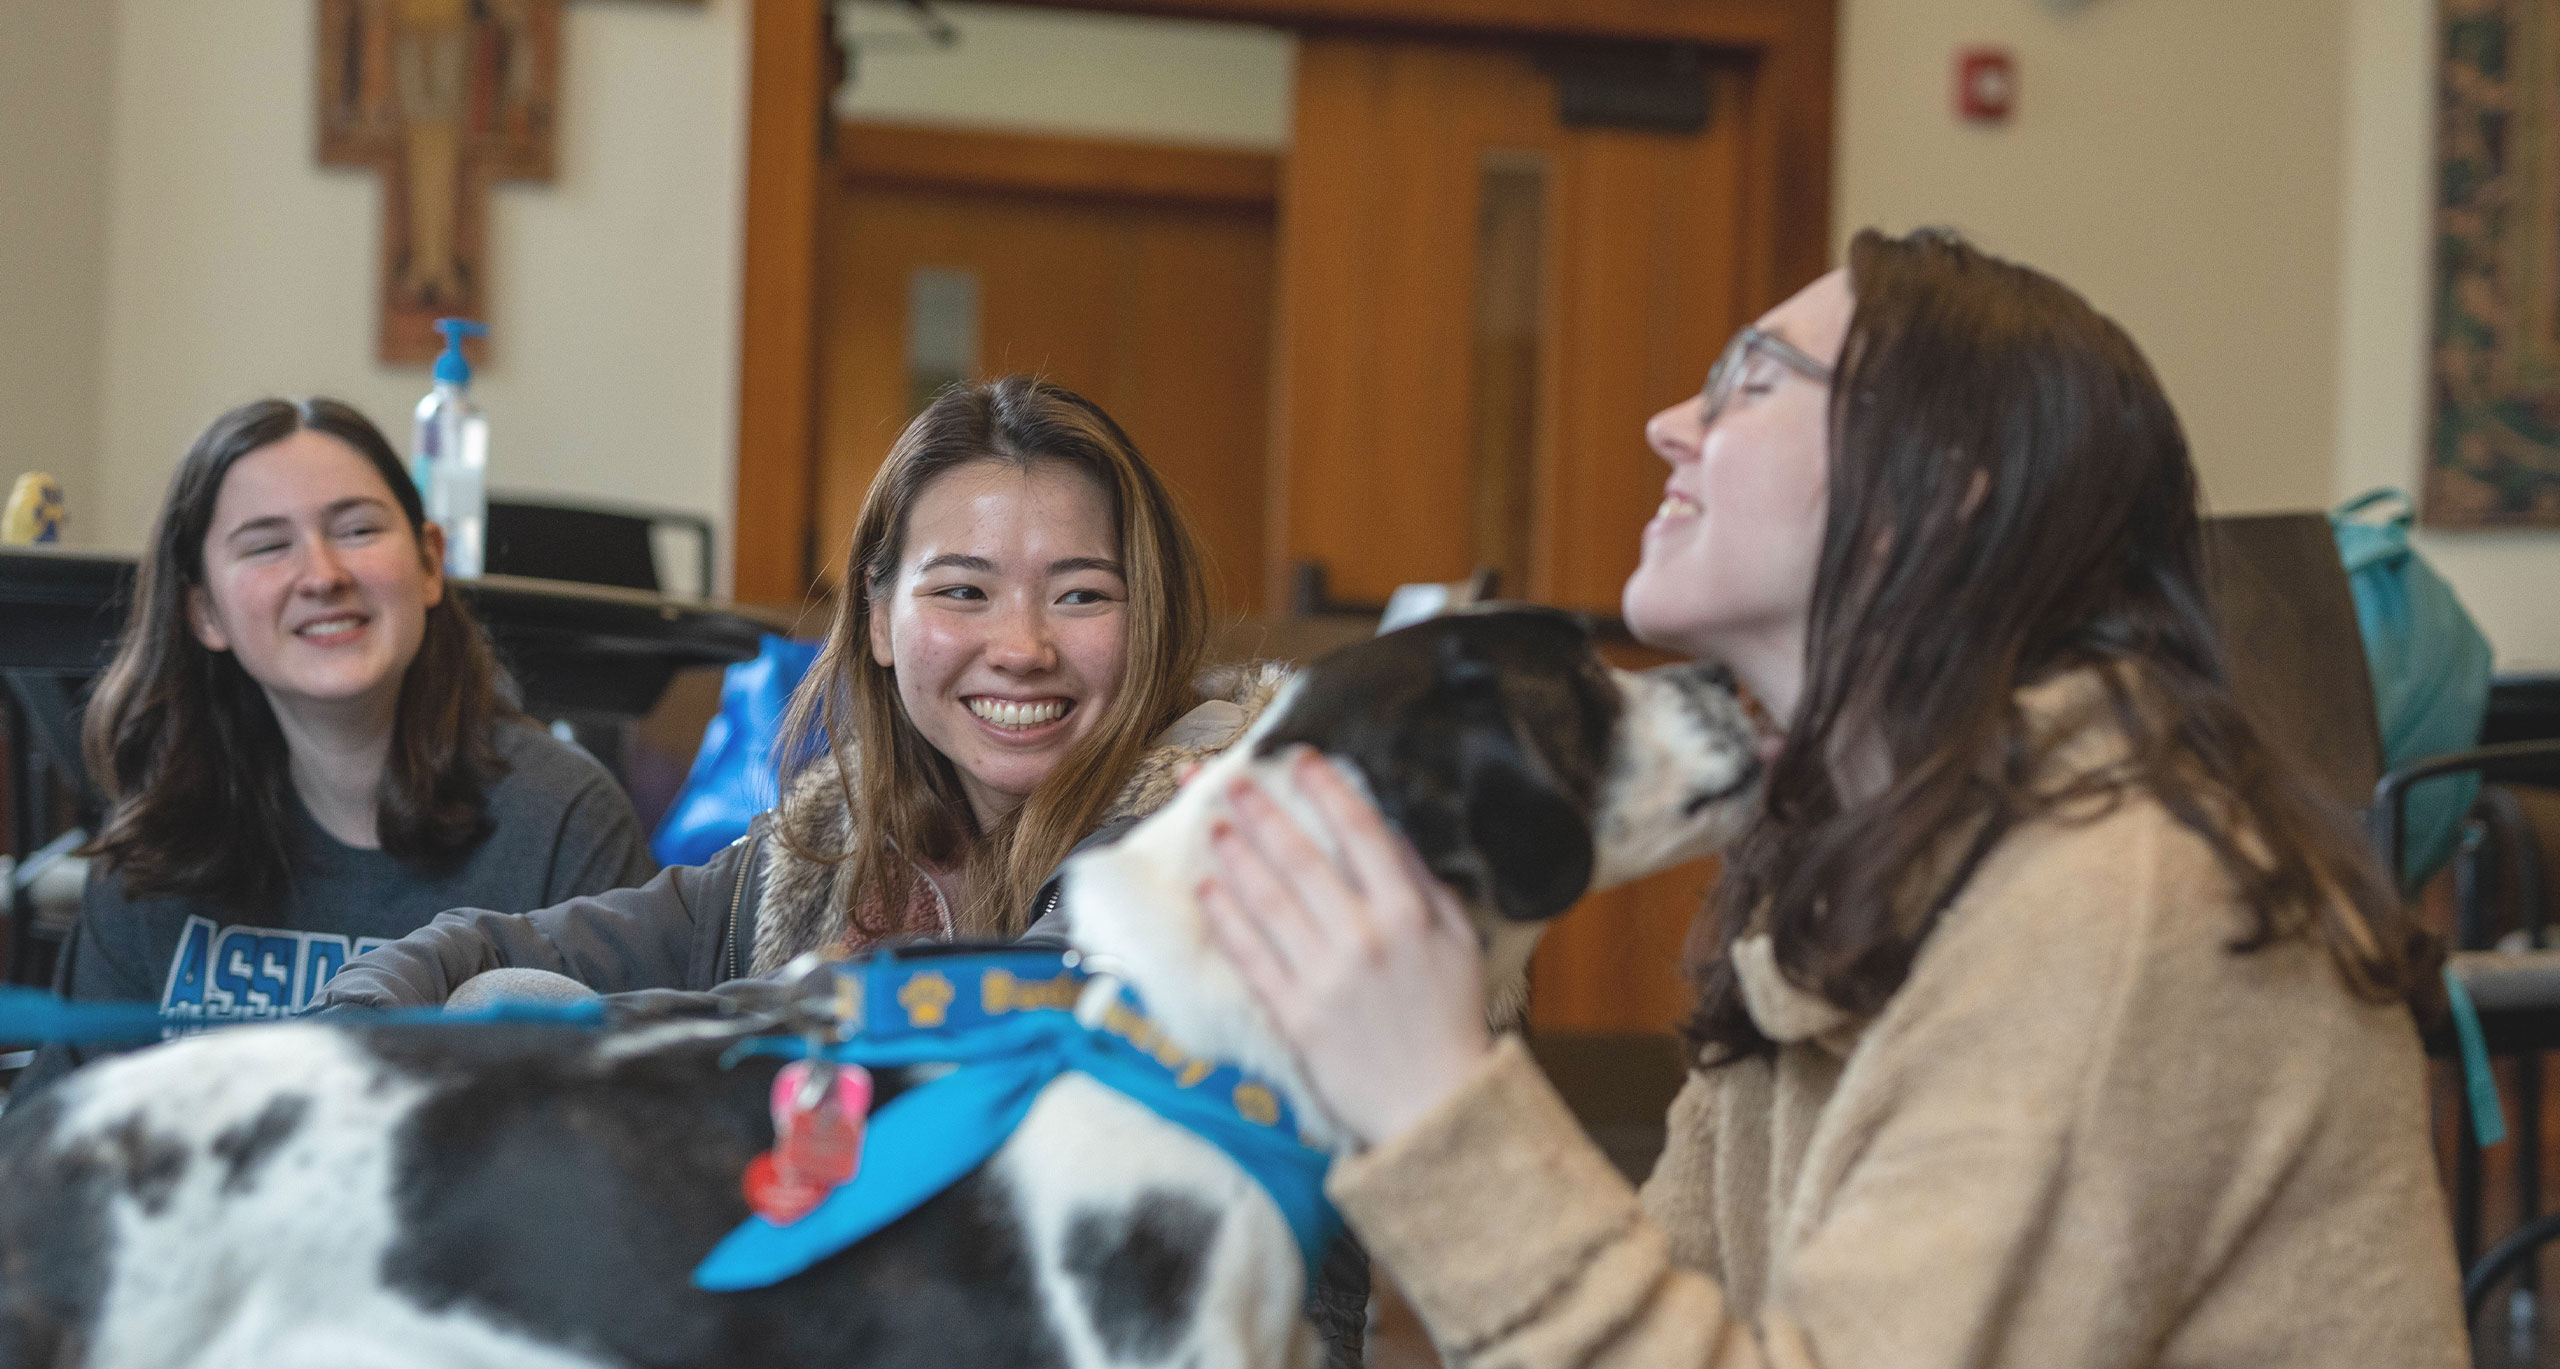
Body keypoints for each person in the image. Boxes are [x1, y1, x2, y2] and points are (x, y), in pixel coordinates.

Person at [1199, 229, 2468, 1366]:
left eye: (1747, 385)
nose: (1664, 426)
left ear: (1947, 480)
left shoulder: (2118, 901)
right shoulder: (1847, 867)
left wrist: (1432, 1093)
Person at [315, 374, 1279, 1009]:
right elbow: (493, 948)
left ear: (1144, 613)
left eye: (1079, 594)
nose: (1021, 646)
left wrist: (599, 1036)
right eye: (963, 591)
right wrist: (344, 1029)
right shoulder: (824, 848)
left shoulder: (1220, 826)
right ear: (876, 617)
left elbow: (991, 1012)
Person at [24, 398, 655, 1089]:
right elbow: (61, 1134)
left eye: (357, 530)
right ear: (202, 609)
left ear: (429, 563)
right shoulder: (158, 844)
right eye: (267, 544)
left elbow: (629, 1136)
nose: (322, 574)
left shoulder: (564, 822)